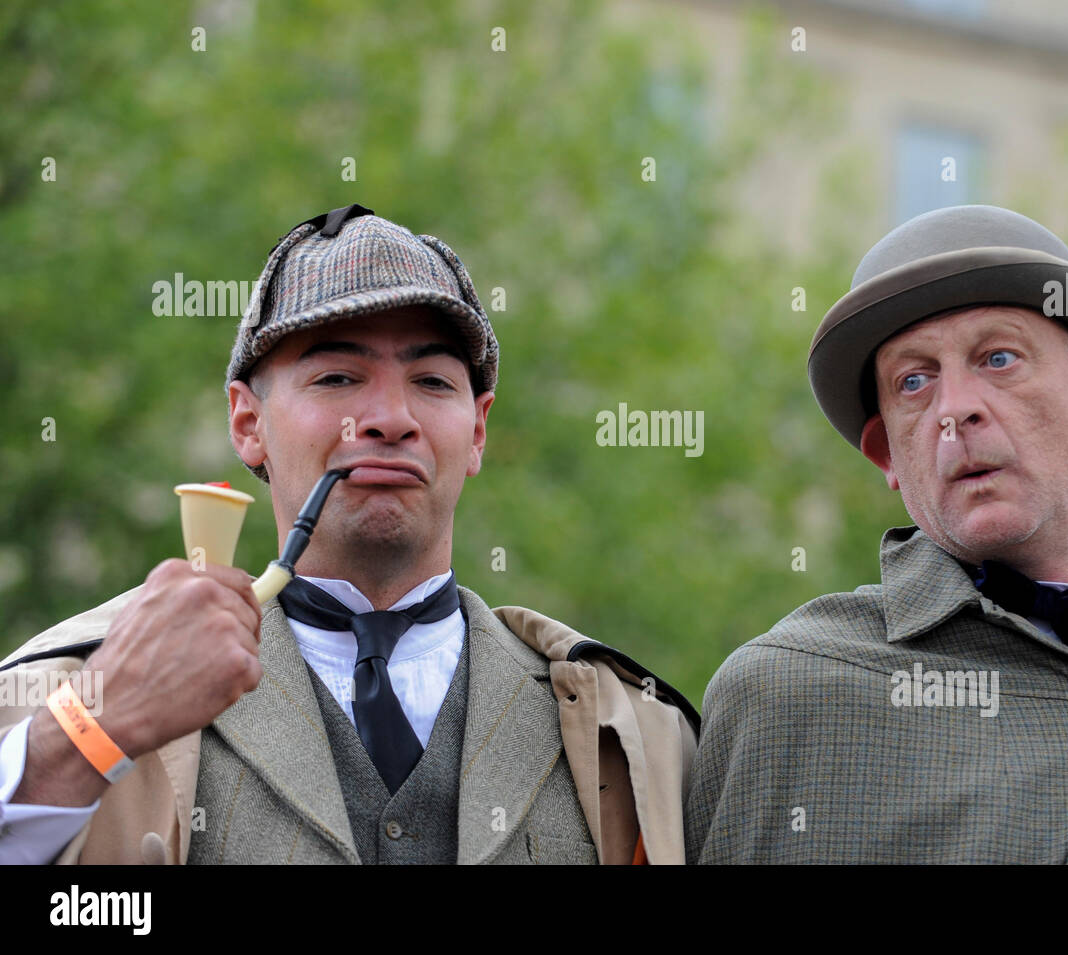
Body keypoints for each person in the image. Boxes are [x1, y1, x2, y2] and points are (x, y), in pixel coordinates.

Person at [0, 204, 698, 865]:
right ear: (249, 424)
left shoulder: (634, 731)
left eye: (431, 380)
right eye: (337, 376)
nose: (390, 418)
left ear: (478, 430)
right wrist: (94, 725)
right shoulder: (64, 689)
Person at [685, 204, 1068, 864]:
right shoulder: (786, 697)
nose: (955, 410)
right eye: (913, 381)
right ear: (887, 453)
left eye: (998, 357)